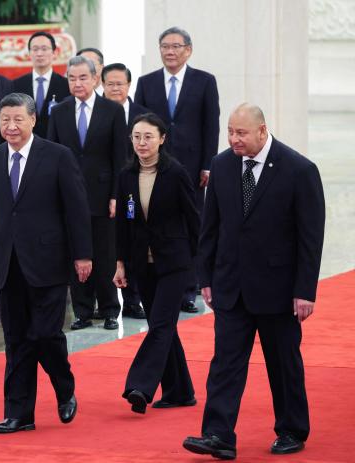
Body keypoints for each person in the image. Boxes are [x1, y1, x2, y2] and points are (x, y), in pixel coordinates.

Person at [183, 104, 325, 460]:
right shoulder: (221, 165)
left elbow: (311, 238)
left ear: (262, 130)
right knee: (225, 363)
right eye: (230, 132)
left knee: (283, 364)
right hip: (231, 285)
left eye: (241, 133)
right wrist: (206, 277)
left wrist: (305, 290)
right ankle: (218, 435)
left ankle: (292, 429)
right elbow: (210, 228)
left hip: (279, 290)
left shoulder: (299, 170)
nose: (234, 139)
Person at [0, 93, 92, 433]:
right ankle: (19, 414)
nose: (11, 126)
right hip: (8, 262)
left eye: (18, 119)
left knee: (44, 333)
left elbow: (77, 210)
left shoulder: (57, 156)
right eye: (4, 120)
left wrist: (83, 255)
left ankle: (64, 386)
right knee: (16, 339)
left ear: (33, 120)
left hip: (49, 262)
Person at [113, 113, 199, 414]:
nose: (141, 143)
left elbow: (194, 220)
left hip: (174, 263)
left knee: (161, 325)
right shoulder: (125, 176)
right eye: (136, 137)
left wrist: (201, 265)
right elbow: (123, 224)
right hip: (142, 264)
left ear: (162, 138)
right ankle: (180, 391)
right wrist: (120, 263)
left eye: (148, 136)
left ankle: (140, 386)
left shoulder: (175, 173)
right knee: (164, 327)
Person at [133, 26, 220, 314]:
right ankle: (160, 283)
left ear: (188, 50)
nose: (170, 51)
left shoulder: (205, 81)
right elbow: (141, 124)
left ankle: (189, 289)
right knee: (159, 223)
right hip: (156, 167)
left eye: (175, 46)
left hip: (194, 169)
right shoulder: (147, 83)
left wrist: (209, 164)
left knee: (191, 226)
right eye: (164, 46)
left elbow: (211, 126)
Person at [48, 56, 126, 331]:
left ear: (95, 79)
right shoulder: (58, 111)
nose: (77, 83)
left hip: (103, 194)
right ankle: (81, 311)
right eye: (72, 78)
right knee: (75, 252)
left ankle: (109, 310)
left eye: (83, 78)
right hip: (68, 195)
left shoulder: (113, 111)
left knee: (104, 253)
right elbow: (51, 155)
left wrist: (117, 194)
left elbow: (120, 158)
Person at [102, 62, 149, 320]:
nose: (115, 88)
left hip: (135, 191)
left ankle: (133, 300)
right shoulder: (99, 112)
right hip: (107, 192)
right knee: (109, 246)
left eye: (120, 83)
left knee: (132, 240)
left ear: (129, 85)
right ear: (103, 85)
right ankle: (107, 302)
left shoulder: (142, 115)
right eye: (110, 84)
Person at [12, 31, 70, 138]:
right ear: (29, 53)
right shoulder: (16, 85)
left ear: (54, 52)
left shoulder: (66, 85)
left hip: (57, 145)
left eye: (44, 49)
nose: (39, 53)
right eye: (35, 49)